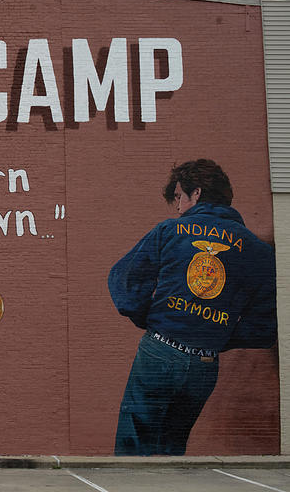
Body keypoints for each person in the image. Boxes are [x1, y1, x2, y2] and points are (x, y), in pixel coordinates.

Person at [108, 158, 277, 455]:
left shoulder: (170, 232)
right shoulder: (259, 252)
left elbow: (125, 281)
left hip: (159, 352)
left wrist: (152, 319)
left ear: (195, 193)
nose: (177, 207)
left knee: (133, 448)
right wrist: (217, 336)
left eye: (177, 197)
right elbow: (264, 328)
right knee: (172, 450)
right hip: (204, 366)